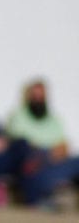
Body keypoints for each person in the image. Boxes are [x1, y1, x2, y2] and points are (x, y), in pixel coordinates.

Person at [6, 78, 79, 207]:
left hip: (55, 163)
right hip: (34, 164)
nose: (38, 98)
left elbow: (64, 146)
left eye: (42, 95)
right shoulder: (18, 116)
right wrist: (47, 153)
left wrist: (52, 154)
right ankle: (36, 199)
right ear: (28, 96)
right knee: (30, 158)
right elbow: (21, 144)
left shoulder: (55, 120)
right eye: (35, 95)